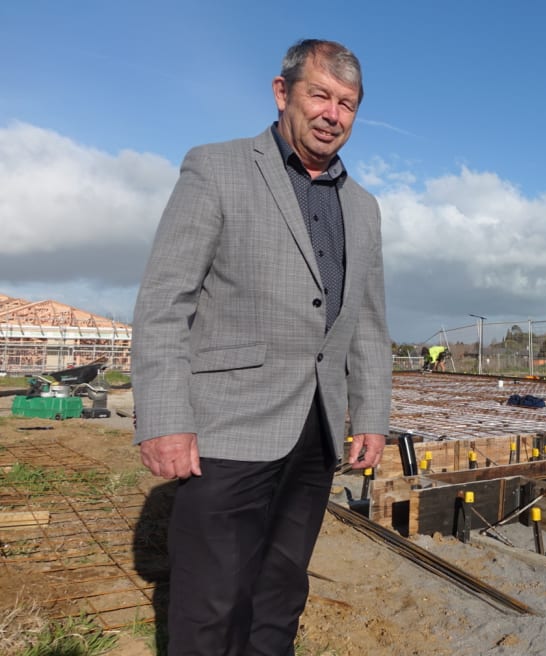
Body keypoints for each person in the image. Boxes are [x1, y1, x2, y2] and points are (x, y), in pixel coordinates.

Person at [131, 39, 391, 655]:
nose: (333, 114)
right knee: (211, 600)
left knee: (280, 592)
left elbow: (370, 323)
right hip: (228, 426)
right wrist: (166, 419)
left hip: (316, 432)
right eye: (320, 95)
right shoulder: (217, 168)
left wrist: (372, 415)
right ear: (283, 94)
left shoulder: (363, 207)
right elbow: (165, 300)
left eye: (347, 104)